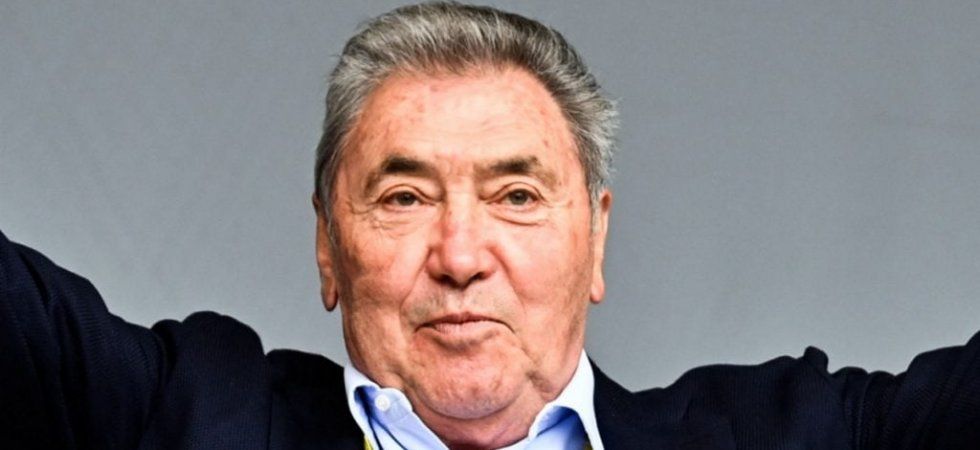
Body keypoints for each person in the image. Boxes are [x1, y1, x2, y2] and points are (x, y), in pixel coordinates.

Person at [1, 2, 978, 449]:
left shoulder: (789, 435)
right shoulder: (178, 414)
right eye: (403, 198)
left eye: (516, 195)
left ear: (595, 241)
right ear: (326, 246)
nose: (461, 257)